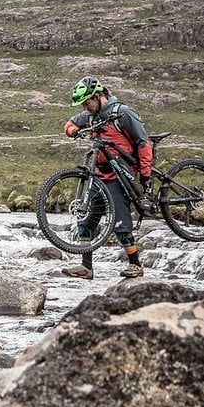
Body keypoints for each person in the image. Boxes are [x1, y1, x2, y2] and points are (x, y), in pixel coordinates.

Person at [61, 76, 154, 279]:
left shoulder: (123, 112)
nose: (85, 108)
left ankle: (135, 265)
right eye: (83, 104)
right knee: (86, 220)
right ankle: (86, 267)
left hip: (121, 173)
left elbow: (143, 142)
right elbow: (68, 125)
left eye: (87, 102)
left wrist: (146, 174)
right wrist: (74, 130)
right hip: (100, 174)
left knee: (120, 222)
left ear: (98, 96)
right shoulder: (91, 115)